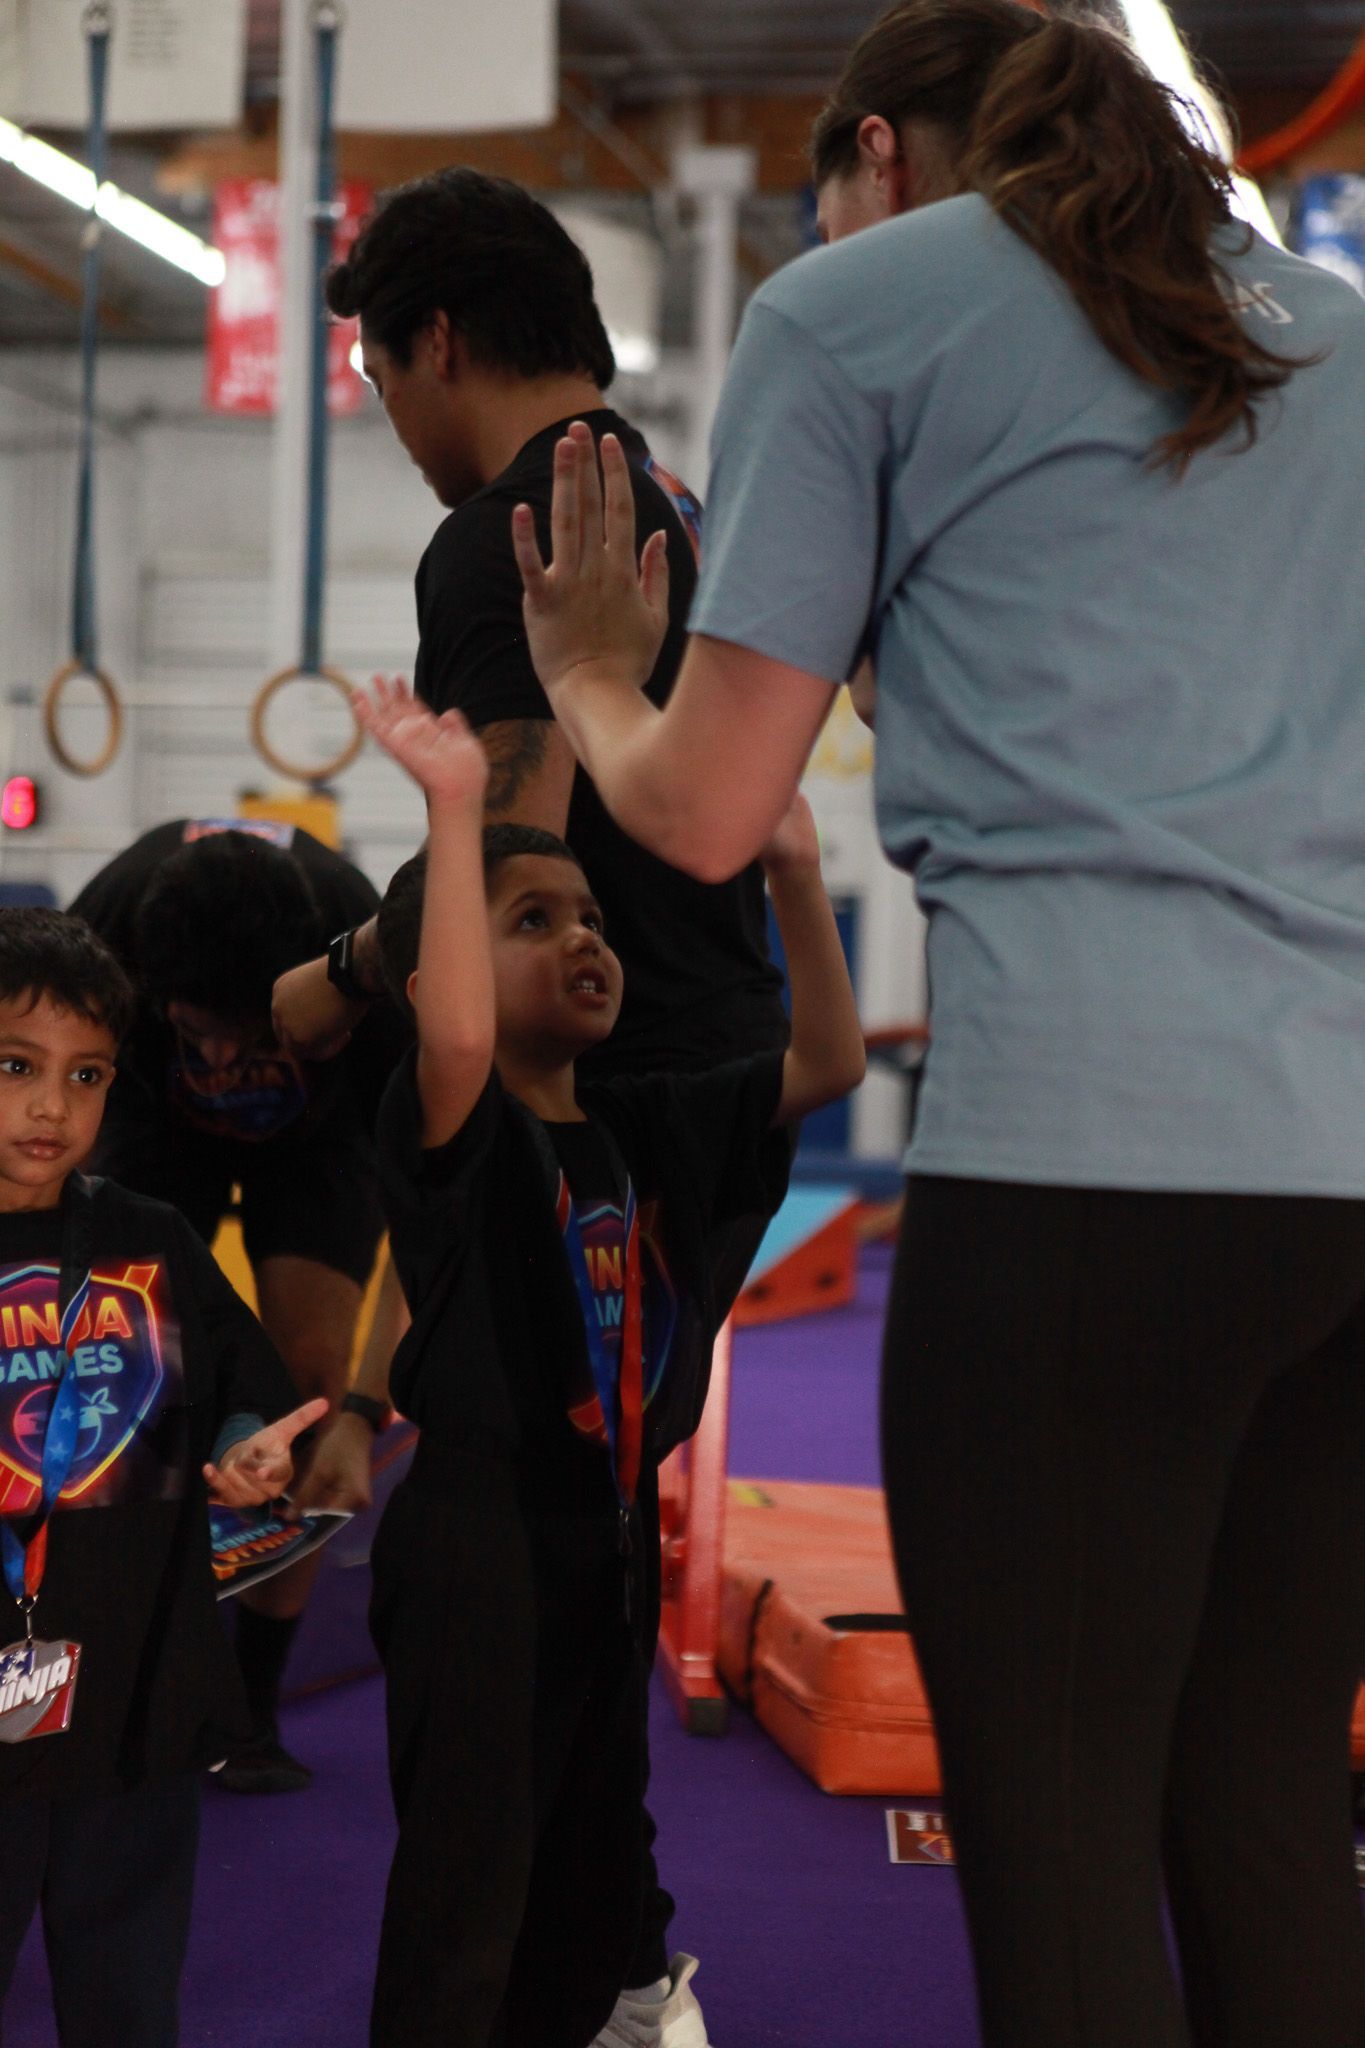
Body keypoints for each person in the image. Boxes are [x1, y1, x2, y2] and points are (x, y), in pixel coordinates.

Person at [509, 5, 1365, 2043]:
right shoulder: (1328, 334)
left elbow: (710, 811)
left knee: (1060, 1853)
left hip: (1083, 1173)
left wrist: (590, 671)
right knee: (1260, 1823)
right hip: (1339, 1186)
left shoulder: (858, 309)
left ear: (877, 157)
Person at [269, 168, 791, 2042]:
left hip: (606, 1096)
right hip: (728, 1076)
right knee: (587, 1528)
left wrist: (320, 984)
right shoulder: (674, 509)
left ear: (439, 341)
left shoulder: (508, 524)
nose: (392, 422)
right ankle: (619, 1969)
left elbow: (510, 845)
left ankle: (515, 1975)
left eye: (378, 374)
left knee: (489, 1540)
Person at [350, 677, 863, 2048]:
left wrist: (798, 869)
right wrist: (457, 812)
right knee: (473, 1885)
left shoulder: (645, 1123)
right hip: (478, 1539)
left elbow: (826, 1058)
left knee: (586, 1883)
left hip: (608, 1534)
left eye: (589, 919)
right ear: (446, 969)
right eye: (535, 922)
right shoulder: (453, 1127)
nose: (582, 938)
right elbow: (458, 1031)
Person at [0, 907, 323, 2048]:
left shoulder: (151, 1236)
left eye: (84, 1074)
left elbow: (244, 1380)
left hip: (136, 1684)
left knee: (127, 1990)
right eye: (16, 1066)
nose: (52, 1104)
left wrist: (247, 1442)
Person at [69, 818, 407, 1793]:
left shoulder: (376, 965)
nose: (219, 1061)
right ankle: (120, 1670)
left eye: (244, 1036)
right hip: (150, 1120)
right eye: (195, 1033)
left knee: (306, 1380)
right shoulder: (108, 936)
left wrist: (361, 1413)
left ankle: (250, 1713)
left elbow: (439, 1227)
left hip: (319, 1132)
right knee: (130, 1362)